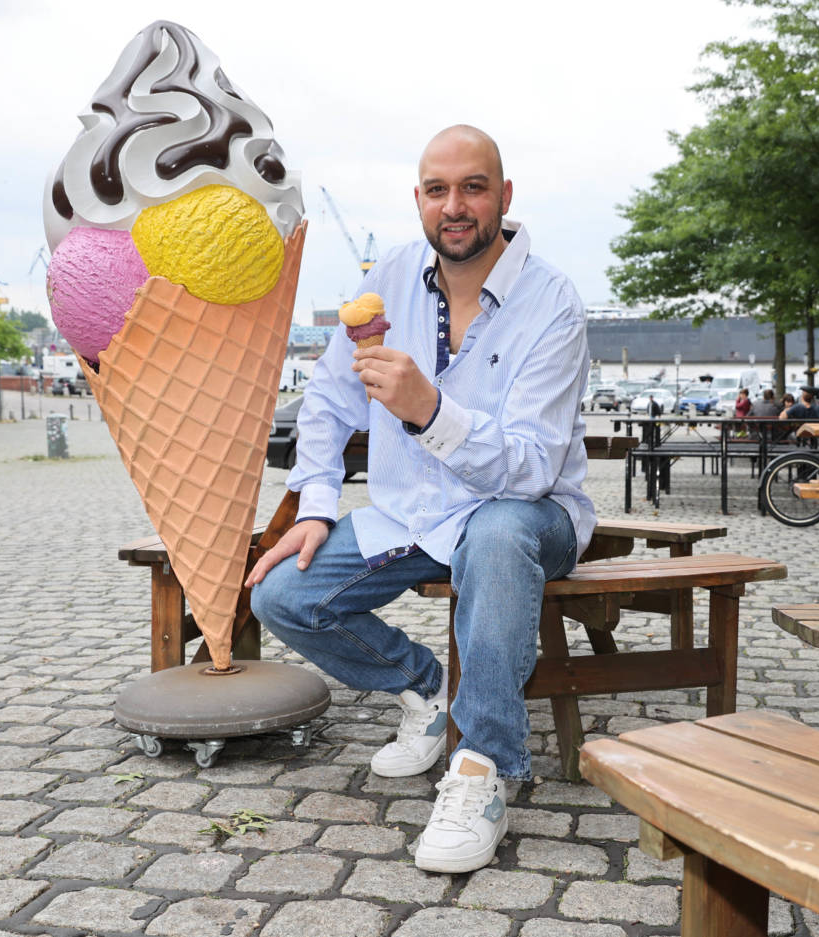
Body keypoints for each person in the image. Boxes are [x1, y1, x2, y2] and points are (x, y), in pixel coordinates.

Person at [247, 125, 594, 874]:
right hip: (412, 512)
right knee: (281, 594)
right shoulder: (391, 278)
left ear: (505, 197)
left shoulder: (554, 303)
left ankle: (484, 767)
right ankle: (426, 687)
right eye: (438, 190)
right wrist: (313, 503)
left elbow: (531, 468)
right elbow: (328, 402)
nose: (455, 205)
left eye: (473, 187)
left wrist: (429, 410)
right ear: (418, 200)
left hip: (532, 515)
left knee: (498, 533)